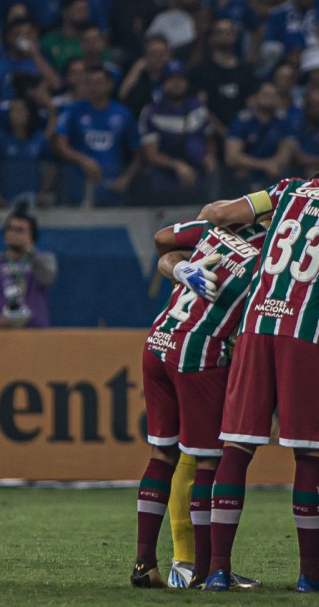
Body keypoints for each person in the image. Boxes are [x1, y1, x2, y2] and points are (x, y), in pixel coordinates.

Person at [196, 144, 319, 593]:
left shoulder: (288, 189)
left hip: (256, 326)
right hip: (308, 334)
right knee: (311, 455)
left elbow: (219, 213)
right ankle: (308, 574)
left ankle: (218, 570)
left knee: (237, 448)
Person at [129, 215, 269, 590]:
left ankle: (145, 564)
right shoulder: (273, 255)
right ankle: (207, 571)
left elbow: (163, 247)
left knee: (162, 455)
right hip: (198, 350)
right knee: (208, 460)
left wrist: (180, 268)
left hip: (158, 339)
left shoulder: (217, 229)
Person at [53, 65, 141, 206]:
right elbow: (60, 144)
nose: (93, 87)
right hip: (79, 185)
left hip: (113, 187)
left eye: (98, 83)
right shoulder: (72, 111)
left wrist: (126, 178)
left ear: (109, 85)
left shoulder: (123, 113)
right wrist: (83, 160)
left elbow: (137, 152)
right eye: (89, 83)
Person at [136, 62, 215, 204]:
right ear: (163, 83)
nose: (176, 83)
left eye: (180, 79)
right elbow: (150, 154)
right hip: (165, 180)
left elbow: (209, 138)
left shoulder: (197, 107)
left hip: (199, 177)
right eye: (171, 79)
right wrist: (177, 166)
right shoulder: (152, 112)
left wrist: (209, 157)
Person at [0, 206, 56, 329]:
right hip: (4, 333)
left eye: (20, 230)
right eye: (10, 229)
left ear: (31, 235)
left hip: (36, 332)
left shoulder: (44, 259)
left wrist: (30, 251)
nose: (13, 234)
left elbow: (47, 279)